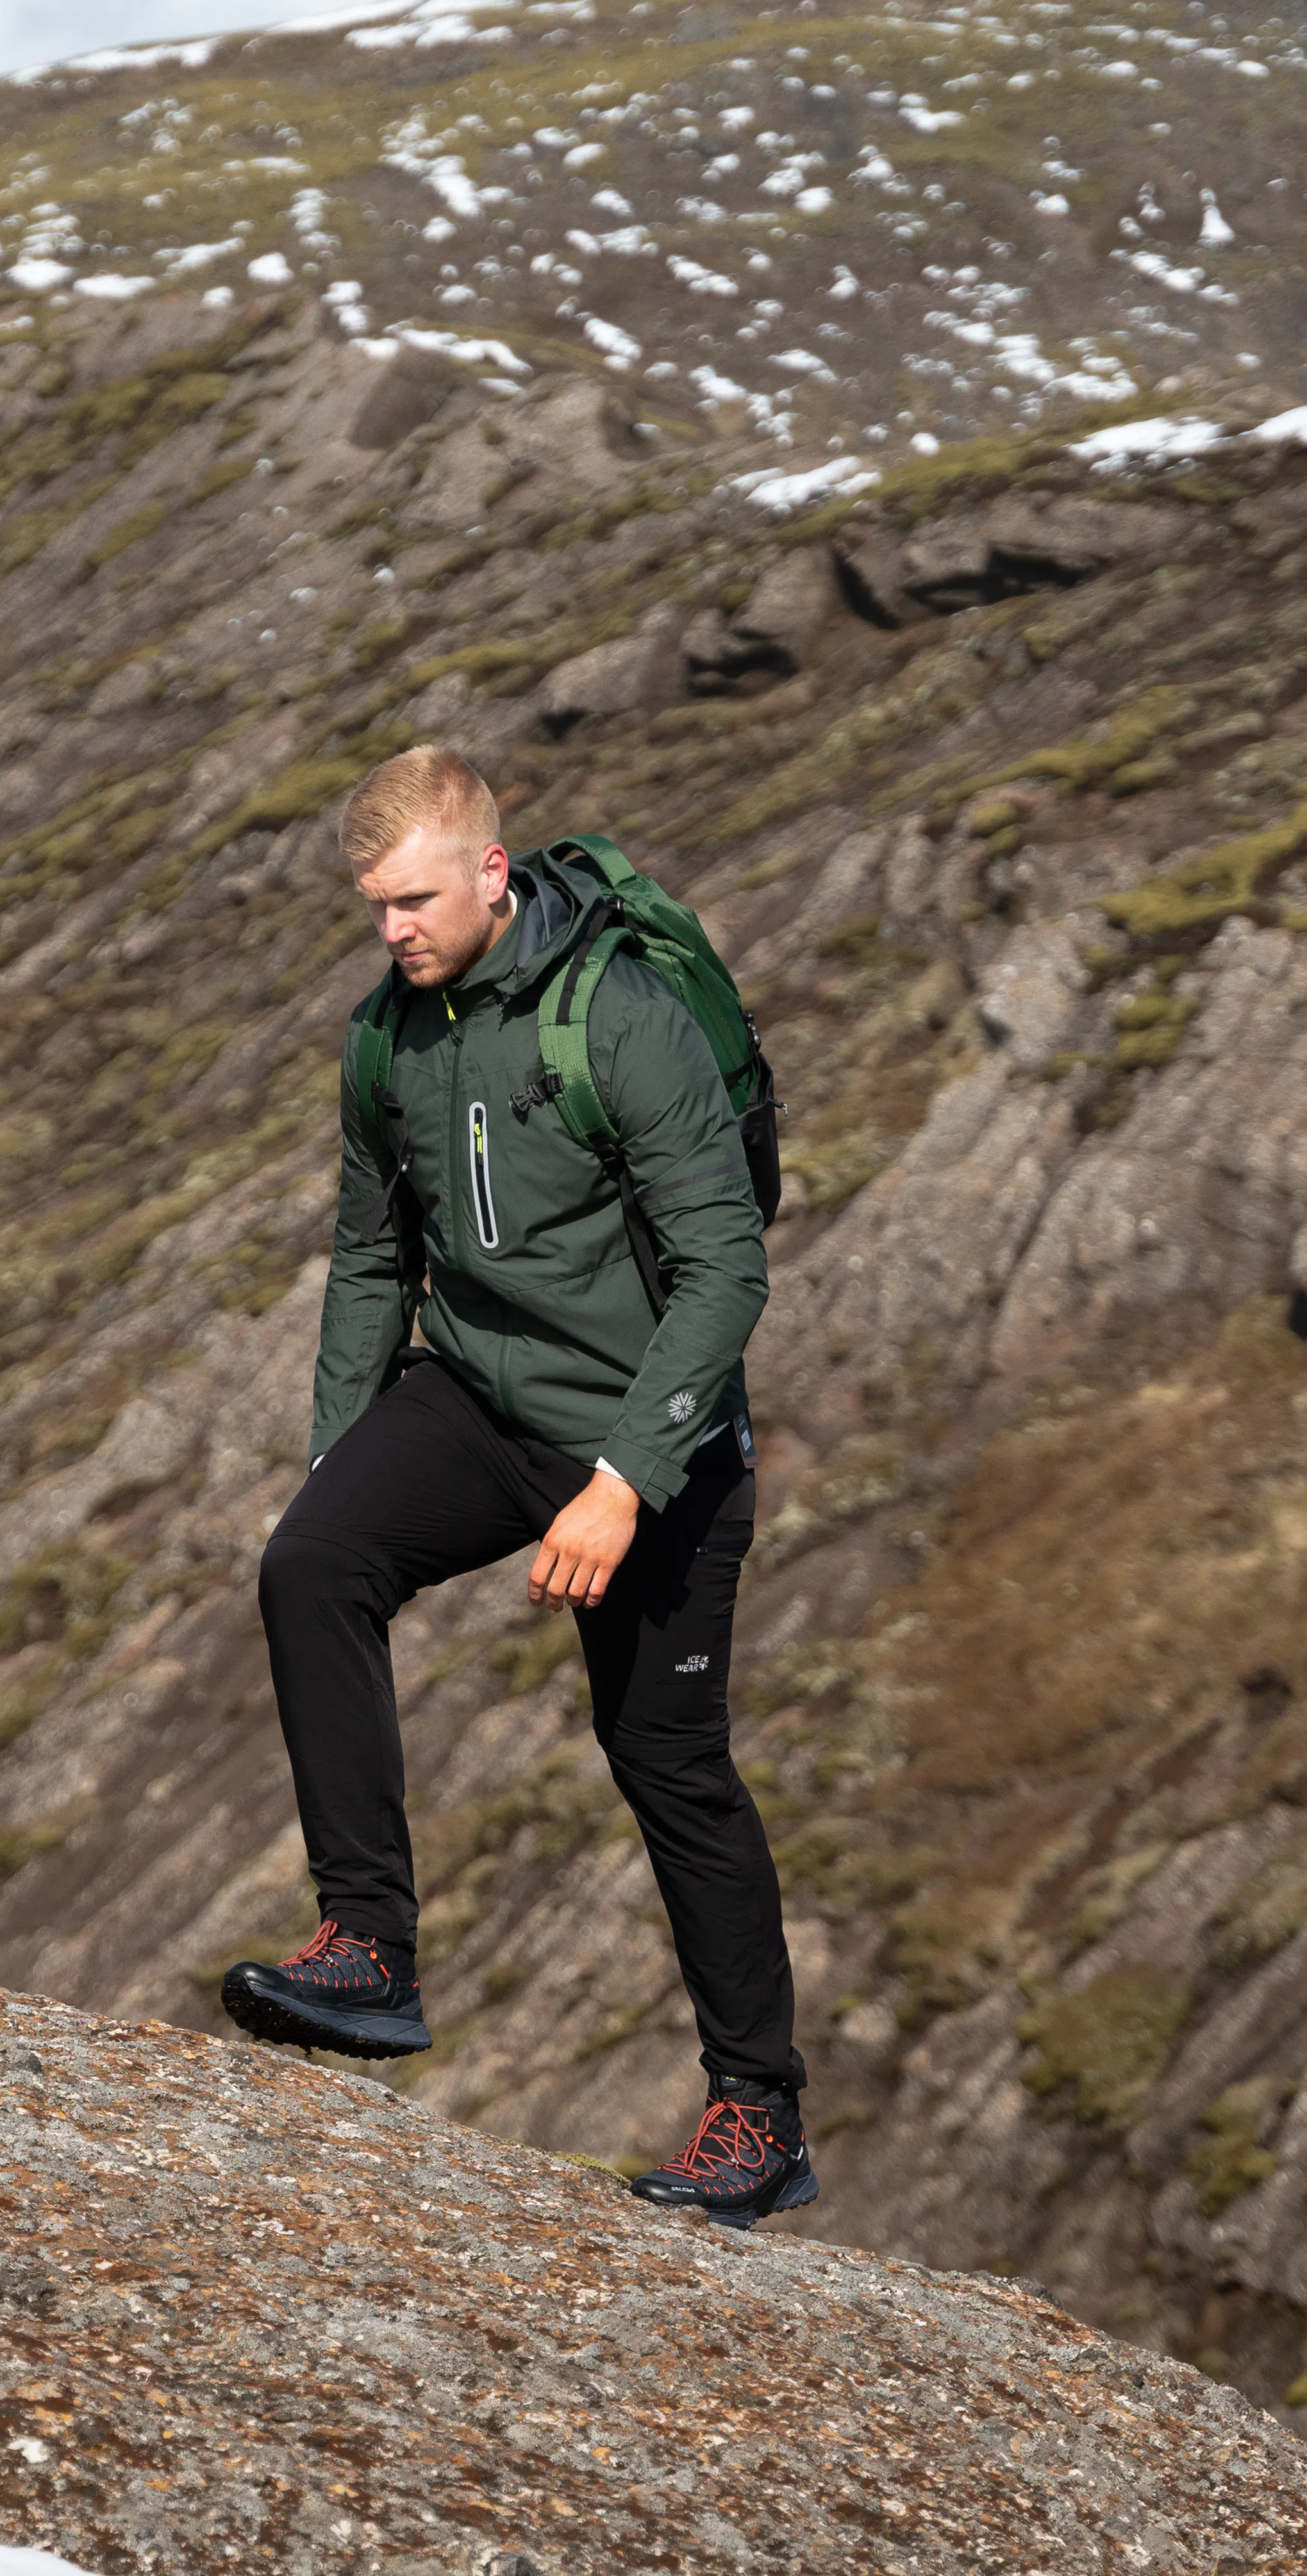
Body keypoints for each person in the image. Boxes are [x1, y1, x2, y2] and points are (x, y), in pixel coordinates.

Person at [219, 744, 814, 2229]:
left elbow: (729, 1266)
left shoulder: (620, 1017)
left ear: (491, 872)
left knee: (664, 1760)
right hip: (480, 1399)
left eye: (414, 901)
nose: (394, 933)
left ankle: (761, 2119)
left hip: (649, 1434)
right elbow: (372, 1264)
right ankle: (367, 1949)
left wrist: (623, 1481)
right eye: (373, 909)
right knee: (311, 1565)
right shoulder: (388, 1038)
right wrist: (336, 1472)